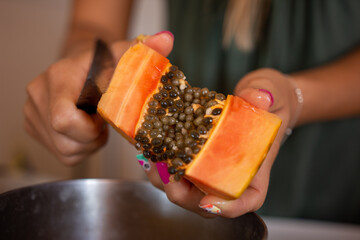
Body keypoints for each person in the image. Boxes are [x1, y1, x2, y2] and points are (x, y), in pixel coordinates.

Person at [24, 0, 360, 223]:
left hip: (331, 194)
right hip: (186, 210)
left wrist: (297, 98)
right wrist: (86, 64)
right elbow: (92, 22)